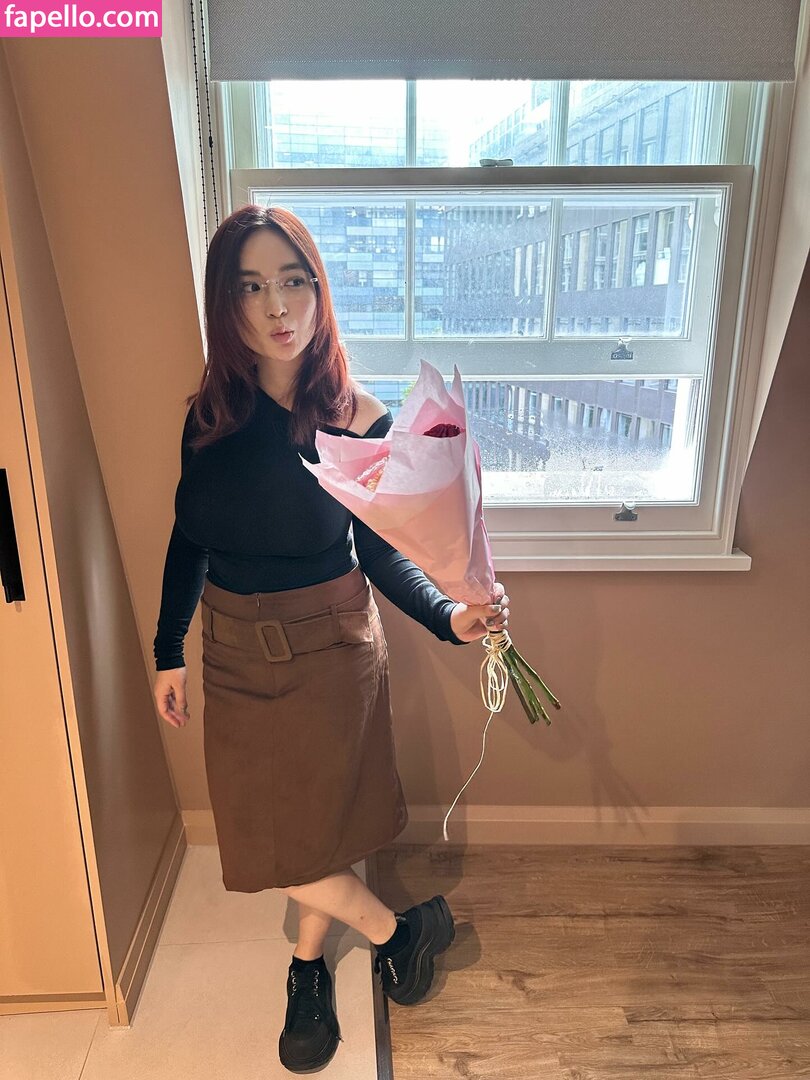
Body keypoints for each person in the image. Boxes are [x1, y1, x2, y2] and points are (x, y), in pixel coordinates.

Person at [152, 204, 510, 1074]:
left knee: (319, 827)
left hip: (332, 648)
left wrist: (451, 617)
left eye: (293, 281)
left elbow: (382, 551)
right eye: (250, 287)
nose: (277, 306)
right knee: (266, 840)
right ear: (225, 304)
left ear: (320, 290)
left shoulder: (360, 418)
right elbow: (189, 536)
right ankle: (400, 932)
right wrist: (167, 649)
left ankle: (307, 967)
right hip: (233, 651)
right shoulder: (209, 417)